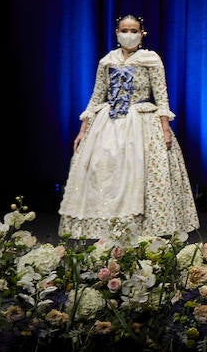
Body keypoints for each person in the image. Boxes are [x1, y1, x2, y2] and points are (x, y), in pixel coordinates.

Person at [59, 15, 199, 243]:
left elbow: (161, 95)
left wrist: (165, 128)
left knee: (142, 172)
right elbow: (96, 96)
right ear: (116, 33)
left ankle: (143, 227)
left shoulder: (150, 59)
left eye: (134, 30)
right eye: (125, 29)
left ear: (142, 33)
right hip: (109, 123)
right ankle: (107, 227)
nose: (129, 34)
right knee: (105, 172)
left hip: (141, 120)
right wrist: (83, 129)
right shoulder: (108, 60)